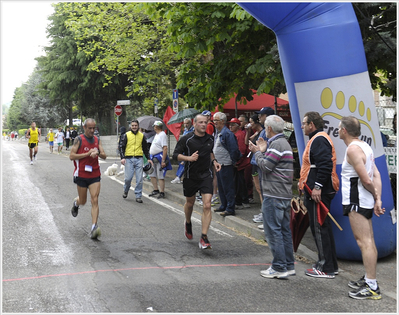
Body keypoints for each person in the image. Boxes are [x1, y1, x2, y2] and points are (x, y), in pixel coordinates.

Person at [339, 116, 385, 300]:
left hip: (356, 200)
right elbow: (376, 174)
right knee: (368, 241)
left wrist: (376, 197)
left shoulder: (353, 150)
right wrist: (378, 198)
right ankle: (369, 279)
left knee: (363, 242)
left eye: (339, 128)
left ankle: (372, 286)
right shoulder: (365, 146)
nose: (338, 130)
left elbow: (367, 179)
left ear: (344, 131)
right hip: (362, 199)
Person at [249, 115, 295, 278]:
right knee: (284, 231)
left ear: (268, 128)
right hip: (283, 193)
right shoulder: (284, 143)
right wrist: (263, 150)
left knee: (273, 231)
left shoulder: (276, 144)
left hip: (273, 193)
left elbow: (266, 166)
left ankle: (279, 267)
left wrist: (257, 152)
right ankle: (288, 265)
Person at [298, 111, 339, 278]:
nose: (302, 126)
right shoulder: (318, 138)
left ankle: (325, 267)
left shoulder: (319, 139)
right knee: (322, 228)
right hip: (318, 190)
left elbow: (324, 165)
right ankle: (330, 265)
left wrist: (317, 187)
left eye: (304, 123)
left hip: (318, 192)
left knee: (319, 227)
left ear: (311, 125)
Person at [173, 114, 221, 249]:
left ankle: (204, 237)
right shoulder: (186, 139)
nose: (203, 125)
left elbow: (210, 152)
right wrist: (189, 158)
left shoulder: (210, 138)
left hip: (206, 175)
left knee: (207, 205)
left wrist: (215, 161)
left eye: (205, 122)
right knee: (190, 203)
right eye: (200, 122)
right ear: (194, 124)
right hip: (190, 175)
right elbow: (175, 155)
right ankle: (188, 222)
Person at [69, 118, 107, 239]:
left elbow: (104, 156)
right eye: (89, 128)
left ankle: (94, 227)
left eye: (93, 128)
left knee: (94, 199)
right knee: (83, 201)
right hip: (81, 174)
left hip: (95, 174)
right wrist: (87, 153)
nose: (92, 130)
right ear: (84, 127)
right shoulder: (78, 139)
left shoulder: (97, 140)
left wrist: (98, 153)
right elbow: (71, 156)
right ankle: (76, 203)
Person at [212, 112, 241, 217]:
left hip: (225, 164)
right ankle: (223, 205)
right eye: (214, 120)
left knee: (228, 186)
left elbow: (234, 149)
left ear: (222, 121)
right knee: (221, 186)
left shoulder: (227, 134)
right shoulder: (219, 132)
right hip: (219, 164)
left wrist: (233, 161)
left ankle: (230, 207)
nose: (214, 122)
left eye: (216, 120)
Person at [119, 120, 153, 203]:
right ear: (131, 126)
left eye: (136, 125)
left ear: (138, 126)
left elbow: (145, 148)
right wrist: (122, 157)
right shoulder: (126, 135)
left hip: (139, 159)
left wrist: (148, 158)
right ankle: (126, 190)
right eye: (133, 125)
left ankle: (138, 195)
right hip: (128, 159)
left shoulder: (141, 136)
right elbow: (121, 147)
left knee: (139, 179)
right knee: (128, 178)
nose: (134, 127)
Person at [228, 118, 250, 209]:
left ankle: (241, 201)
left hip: (240, 163)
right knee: (239, 182)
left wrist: (237, 162)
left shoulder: (239, 135)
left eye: (232, 125)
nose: (230, 126)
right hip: (238, 162)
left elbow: (242, 150)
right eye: (230, 124)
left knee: (239, 183)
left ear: (237, 126)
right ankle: (243, 200)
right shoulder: (236, 134)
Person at [149, 121, 170, 199]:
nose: (153, 127)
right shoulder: (157, 135)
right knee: (152, 174)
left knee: (160, 175)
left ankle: (162, 191)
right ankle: (155, 189)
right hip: (153, 157)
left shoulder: (162, 135)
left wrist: (163, 160)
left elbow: (165, 148)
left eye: (154, 126)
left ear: (156, 127)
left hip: (159, 157)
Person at [171, 118, 194, 184]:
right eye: (185, 123)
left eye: (187, 123)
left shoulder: (193, 130)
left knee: (184, 164)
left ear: (190, 123)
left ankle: (178, 177)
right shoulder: (185, 130)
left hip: (189, 150)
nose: (186, 125)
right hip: (183, 150)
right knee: (181, 164)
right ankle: (179, 177)